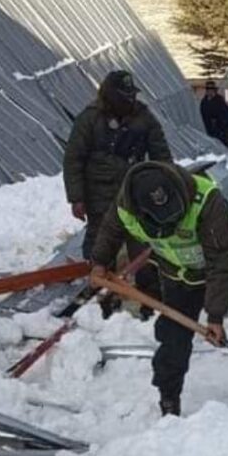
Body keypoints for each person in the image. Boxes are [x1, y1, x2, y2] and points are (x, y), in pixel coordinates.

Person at [89, 161, 228, 416]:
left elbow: (221, 263)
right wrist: (99, 263)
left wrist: (215, 317)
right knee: (173, 338)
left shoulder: (206, 200)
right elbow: (110, 231)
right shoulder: (126, 206)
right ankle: (169, 401)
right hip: (180, 275)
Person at [63, 70, 172, 318]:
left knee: (142, 247)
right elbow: (73, 159)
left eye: (132, 95)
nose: (130, 100)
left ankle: (149, 299)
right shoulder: (89, 119)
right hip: (99, 196)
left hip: (134, 196)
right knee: (100, 247)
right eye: (125, 96)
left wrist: (165, 187)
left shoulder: (144, 118)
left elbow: (162, 155)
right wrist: (76, 197)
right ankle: (101, 299)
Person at [199, 80, 228, 149]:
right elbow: (202, 114)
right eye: (208, 89)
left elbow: (226, 115)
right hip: (209, 129)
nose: (209, 91)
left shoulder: (219, 100)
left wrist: (225, 129)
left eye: (211, 89)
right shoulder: (204, 102)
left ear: (214, 90)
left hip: (221, 130)